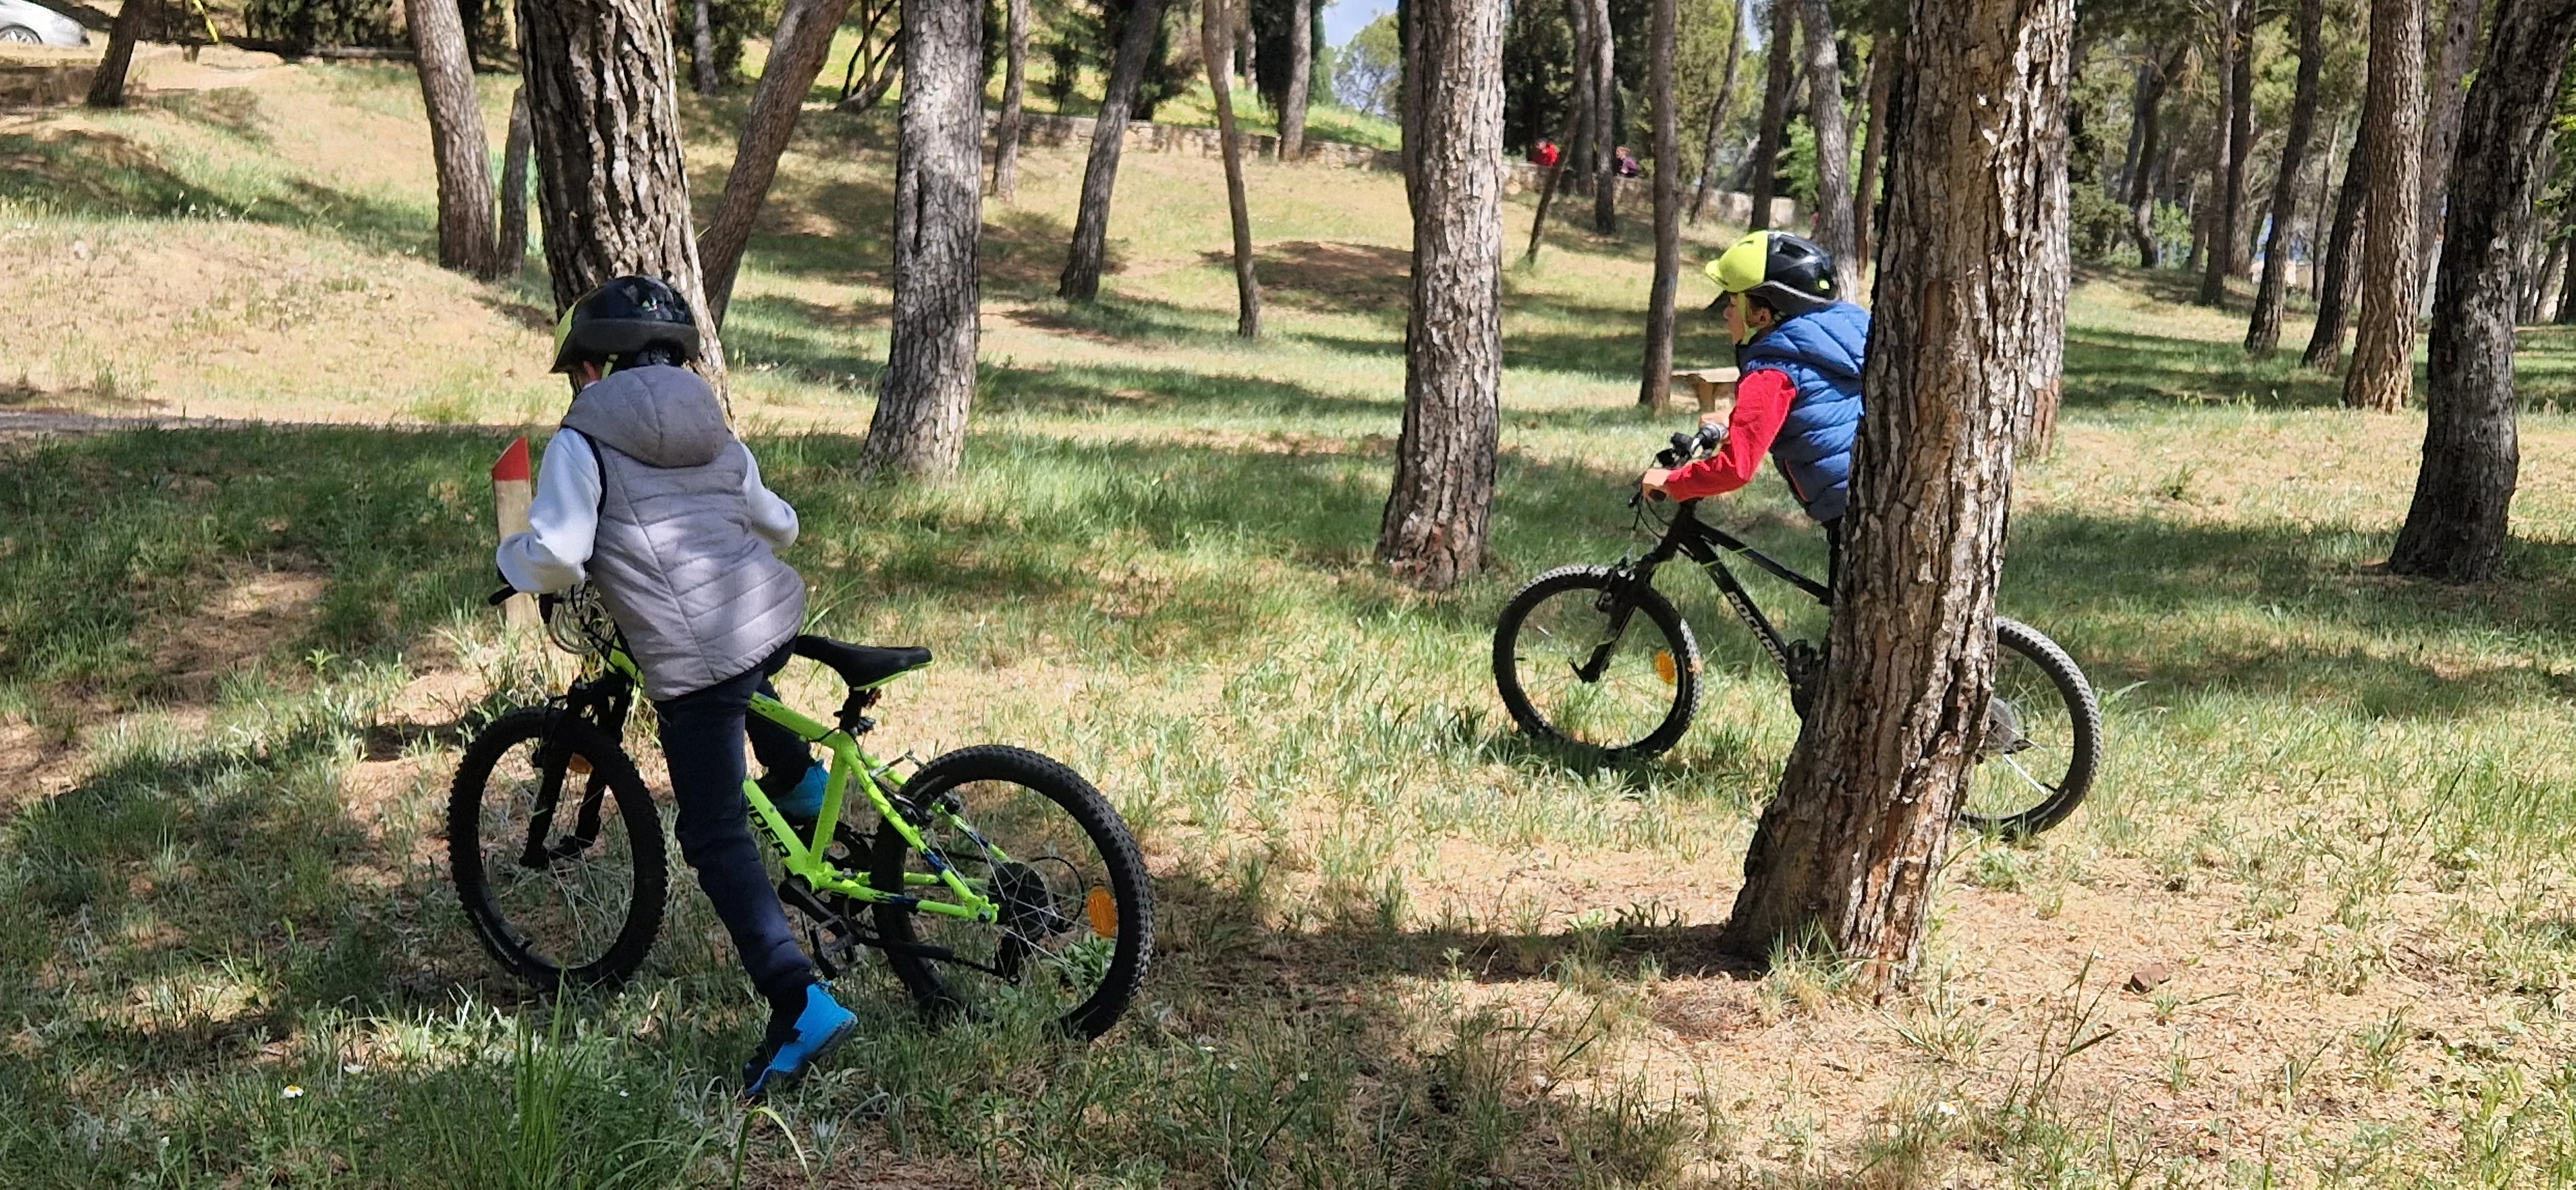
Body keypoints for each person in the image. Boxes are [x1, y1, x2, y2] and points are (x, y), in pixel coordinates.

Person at [495, 275, 855, 1099]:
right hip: (766, 616)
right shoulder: (715, 426)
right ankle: (801, 784)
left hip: (694, 655)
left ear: (593, 367)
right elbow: (781, 524)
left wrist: (509, 560)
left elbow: (556, 555)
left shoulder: (579, 441)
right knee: (752, 679)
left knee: (713, 831)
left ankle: (798, 1002)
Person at [1640, 231, 1865, 576]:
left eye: (1733, 304)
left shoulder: (1774, 369)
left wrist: (1672, 482)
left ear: (1762, 315)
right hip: (1866, 497)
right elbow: (1815, 401)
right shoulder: (1839, 334)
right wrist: (1733, 421)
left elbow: (1737, 468)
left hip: (1848, 514)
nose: (1725, 315)